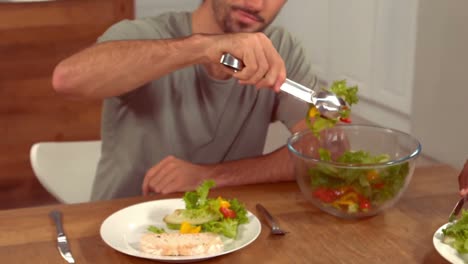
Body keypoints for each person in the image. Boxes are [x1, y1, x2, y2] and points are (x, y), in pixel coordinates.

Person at [52, 0, 318, 200]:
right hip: (125, 229)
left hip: (223, 232)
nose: (257, 3)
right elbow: (67, 79)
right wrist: (203, 48)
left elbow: (321, 147)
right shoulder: (143, 34)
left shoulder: (281, 50)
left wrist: (210, 177)